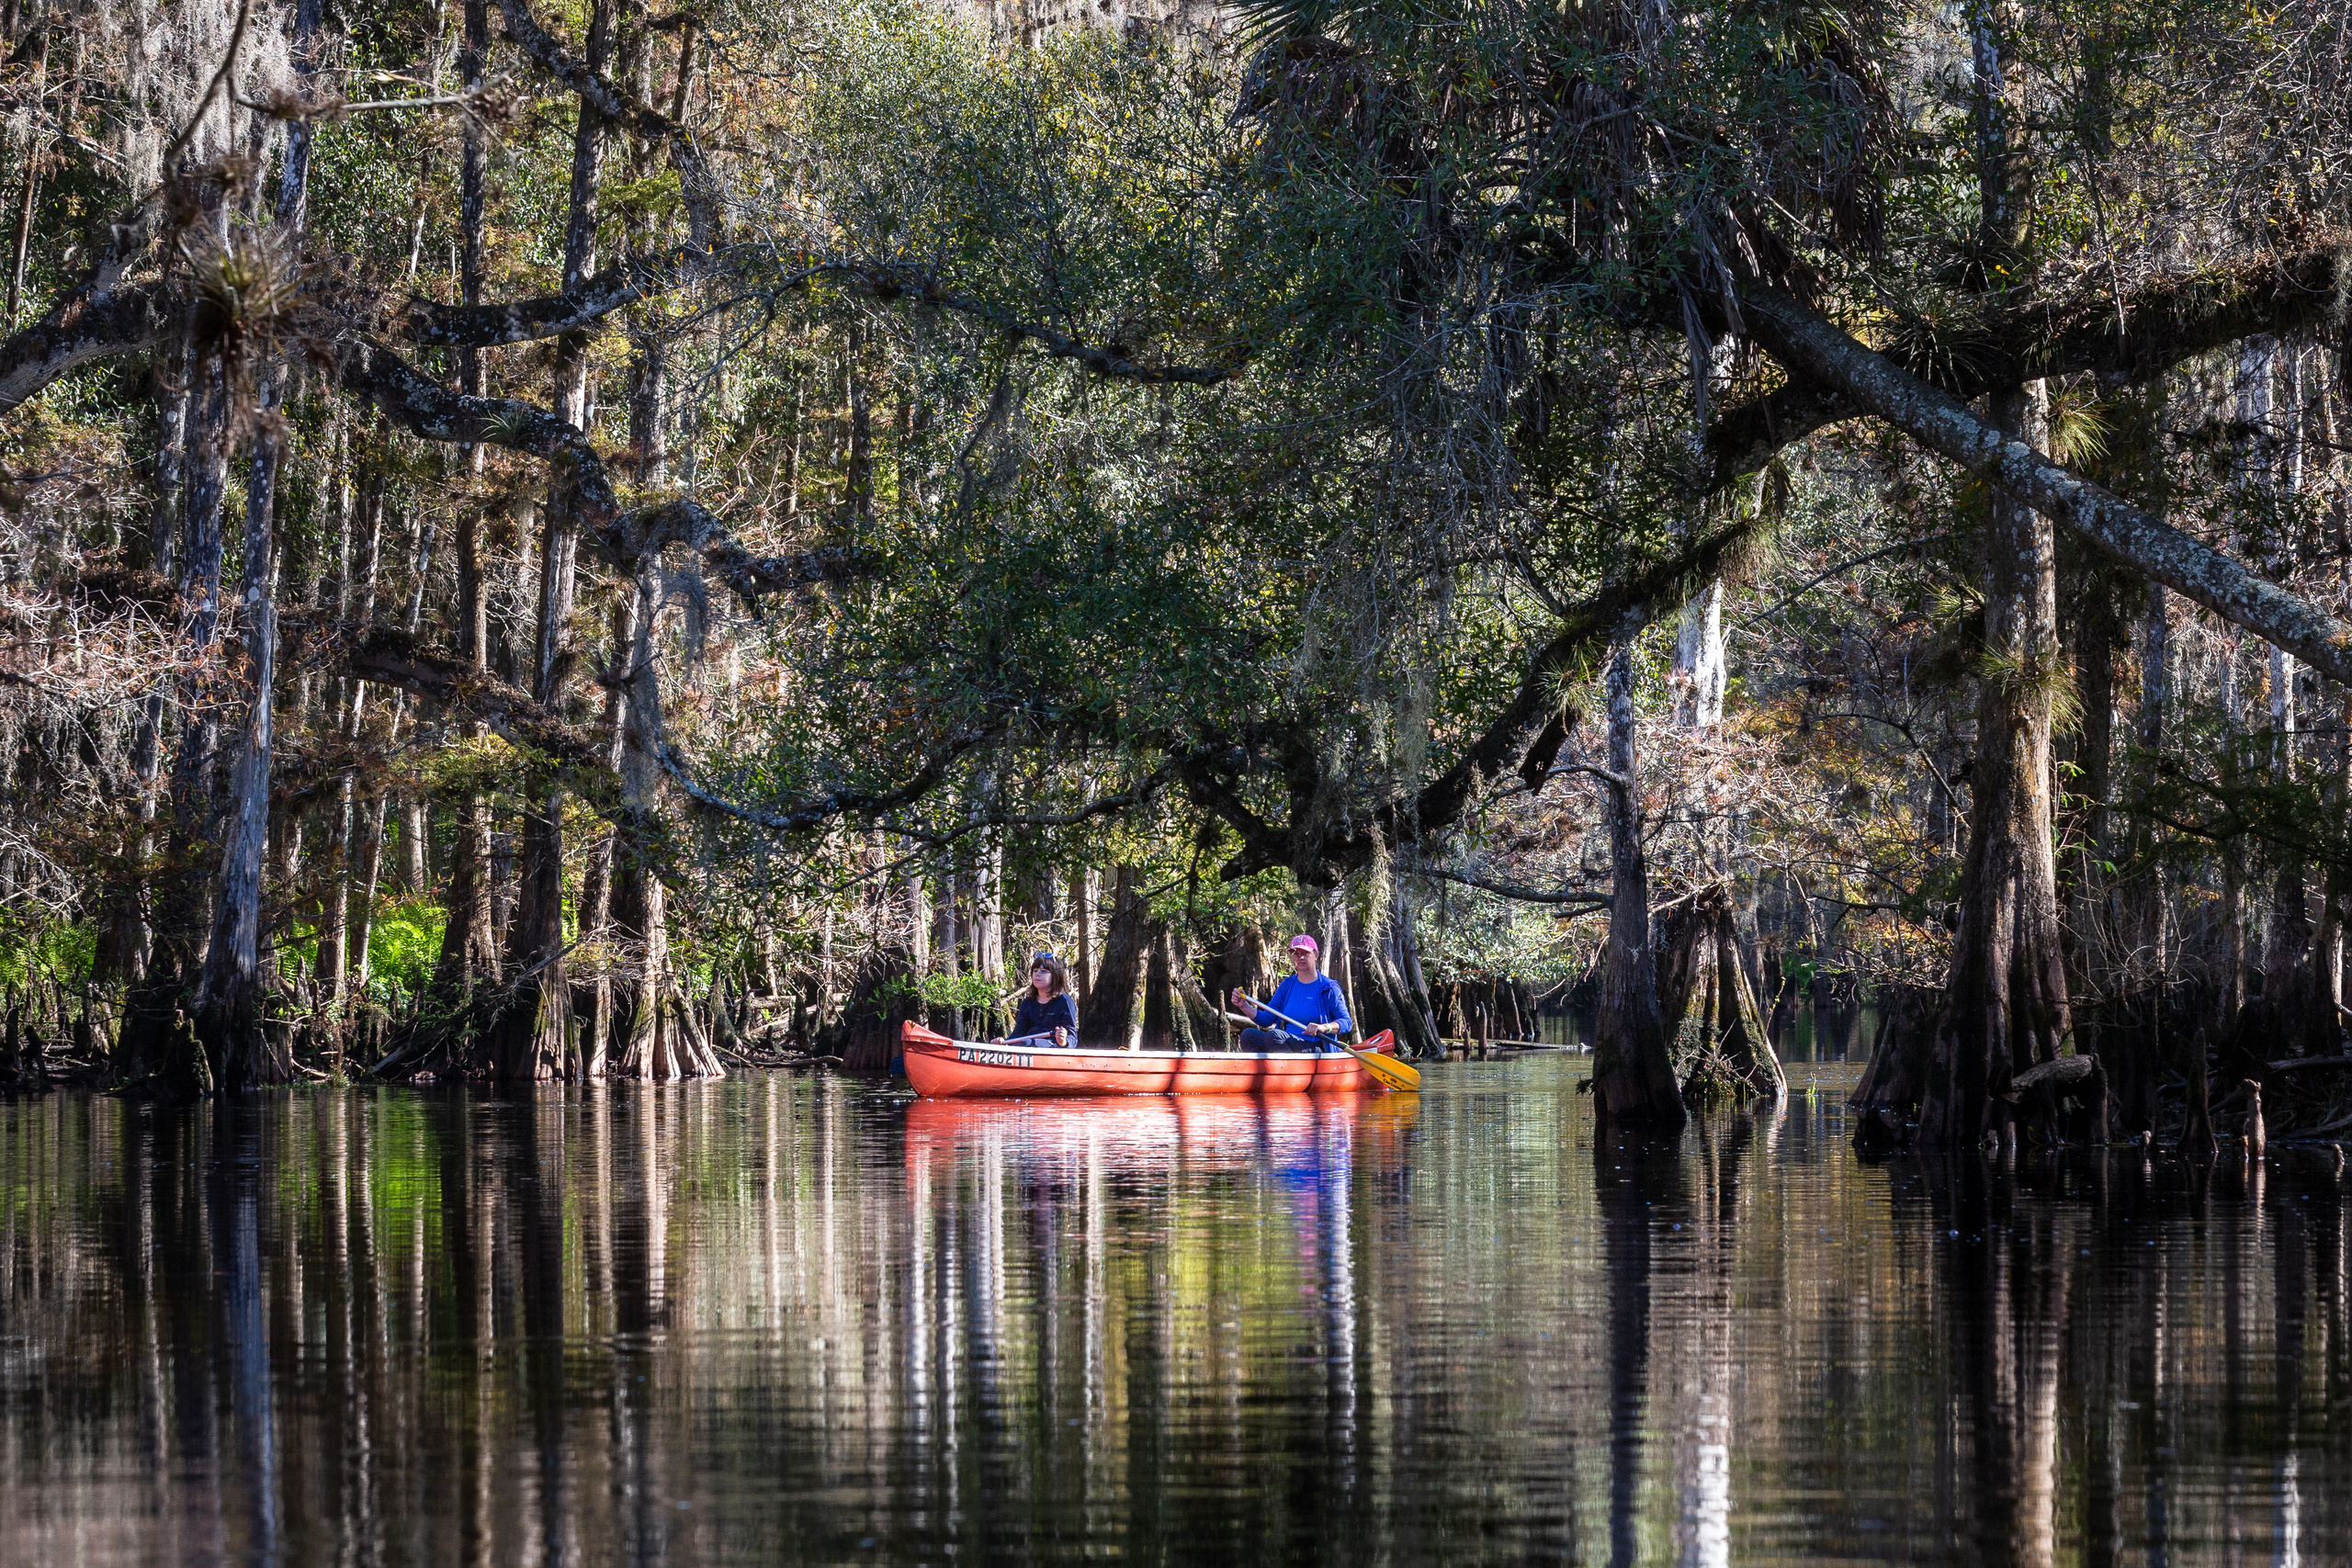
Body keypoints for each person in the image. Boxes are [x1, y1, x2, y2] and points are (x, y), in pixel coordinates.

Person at [1230, 934, 1352, 1053]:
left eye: (1305, 953)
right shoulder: (1287, 985)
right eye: (1296, 954)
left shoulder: (1328, 987)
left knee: (1274, 1036)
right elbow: (1266, 1019)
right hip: (1285, 1043)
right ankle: (1266, 1071)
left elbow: (1346, 1022)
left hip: (1314, 1046)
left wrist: (1324, 1027)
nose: (1300, 957)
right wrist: (1244, 1006)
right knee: (1248, 1035)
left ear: (1315, 955)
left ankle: (1286, 1071)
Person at [996, 952, 1078, 1048]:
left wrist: (1063, 1041)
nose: (1037, 974)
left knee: (1027, 1043)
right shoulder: (1027, 1002)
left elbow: (1072, 1038)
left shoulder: (1065, 1002)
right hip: (1027, 1046)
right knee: (1025, 1043)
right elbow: (1018, 1034)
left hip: (1052, 1048)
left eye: (1043, 971)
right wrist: (1003, 1043)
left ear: (1055, 975)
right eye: (1035, 971)